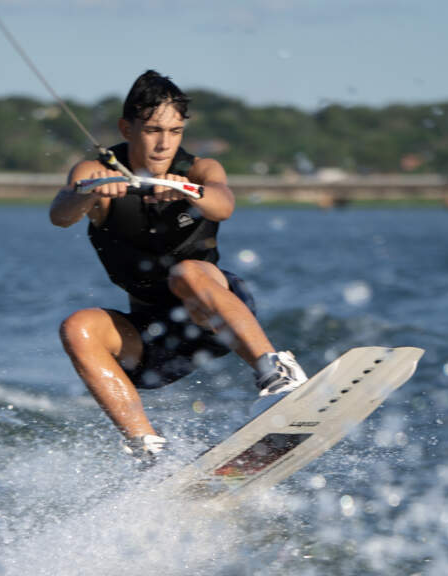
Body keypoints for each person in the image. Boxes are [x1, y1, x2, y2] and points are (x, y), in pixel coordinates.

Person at [49, 70, 306, 461]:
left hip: (212, 312)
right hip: (156, 337)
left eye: (174, 130)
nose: (163, 143)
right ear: (127, 127)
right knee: (77, 327)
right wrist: (90, 193)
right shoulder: (93, 173)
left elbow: (224, 204)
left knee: (186, 272)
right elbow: (60, 214)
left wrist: (181, 188)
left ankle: (278, 374)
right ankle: (150, 452)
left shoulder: (200, 169)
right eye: (152, 130)